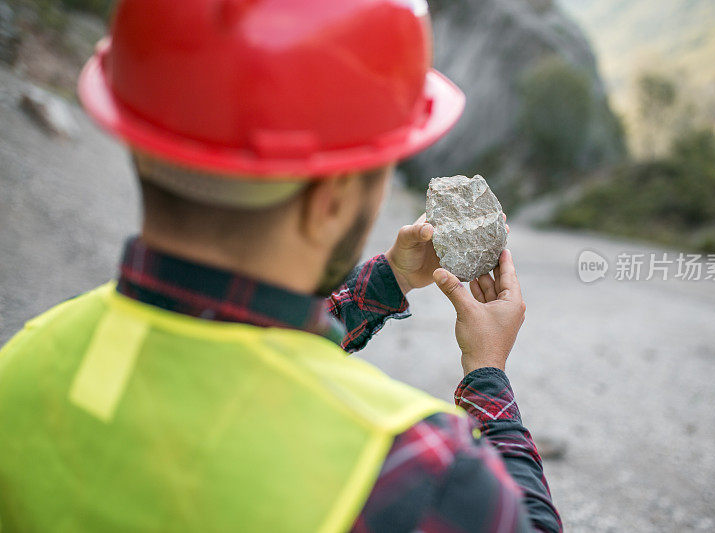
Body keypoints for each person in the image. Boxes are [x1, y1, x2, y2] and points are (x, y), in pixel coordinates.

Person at [0, 0, 561, 531]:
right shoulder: (412, 465)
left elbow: (231, 339)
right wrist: (487, 374)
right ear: (332, 201)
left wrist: (386, 280)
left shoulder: (27, 360)